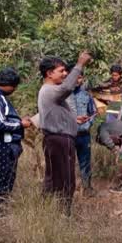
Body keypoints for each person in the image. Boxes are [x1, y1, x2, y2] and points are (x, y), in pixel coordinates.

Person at [37, 51, 93, 215]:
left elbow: (54, 115)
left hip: (59, 140)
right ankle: (63, 215)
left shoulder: (49, 91)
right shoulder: (49, 90)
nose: (65, 73)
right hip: (59, 141)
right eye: (61, 71)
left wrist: (74, 120)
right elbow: (68, 87)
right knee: (65, 181)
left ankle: (49, 213)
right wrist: (80, 64)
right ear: (49, 73)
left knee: (56, 179)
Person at [0, 68, 31, 209]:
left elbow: (5, 119)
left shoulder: (0, 97)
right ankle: (0, 206)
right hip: (4, 143)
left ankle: (4, 203)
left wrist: (19, 120)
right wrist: (20, 124)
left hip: (10, 143)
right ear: (9, 85)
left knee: (9, 175)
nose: (14, 90)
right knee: (4, 175)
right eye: (14, 87)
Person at [66, 70, 97, 197]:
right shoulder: (63, 95)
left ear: (83, 79)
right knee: (68, 163)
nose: (77, 80)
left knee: (85, 162)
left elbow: (93, 112)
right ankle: (68, 190)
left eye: (79, 78)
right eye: (74, 78)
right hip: (68, 135)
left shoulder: (86, 95)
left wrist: (88, 124)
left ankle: (87, 188)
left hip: (84, 135)